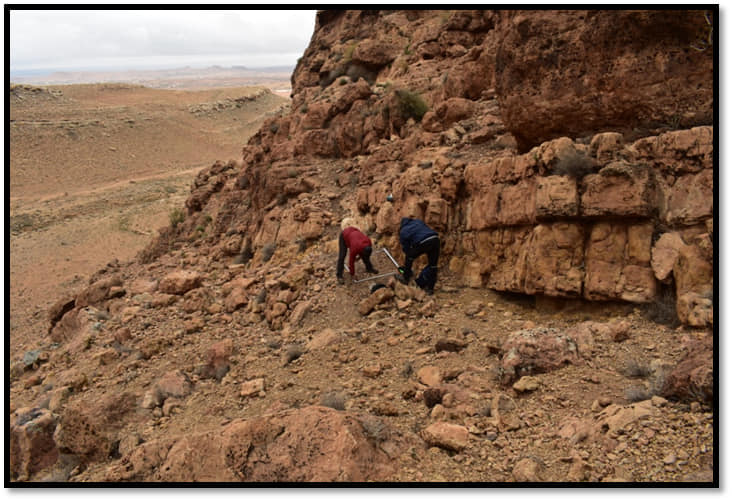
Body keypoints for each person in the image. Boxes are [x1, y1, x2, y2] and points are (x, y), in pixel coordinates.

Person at [398, 217, 440, 294]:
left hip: (423, 241)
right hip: (435, 239)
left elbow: (406, 248)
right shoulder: (418, 221)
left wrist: (410, 256)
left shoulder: (403, 231)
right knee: (433, 265)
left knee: (409, 257)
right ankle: (430, 288)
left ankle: (406, 278)